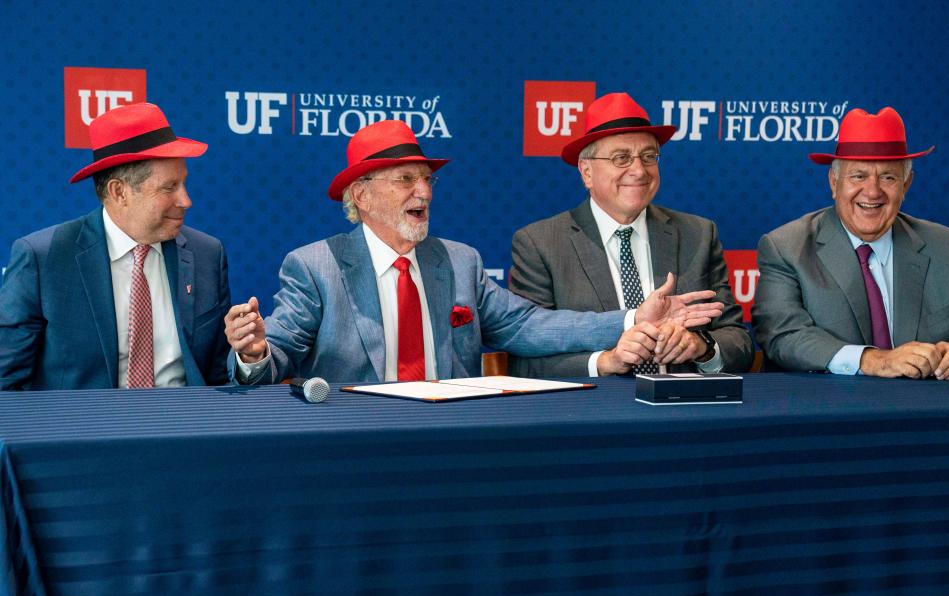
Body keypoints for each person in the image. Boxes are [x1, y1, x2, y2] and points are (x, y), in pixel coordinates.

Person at [225, 120, 724, 384]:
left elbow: (529, 326)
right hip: (356, 437)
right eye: (405, 180)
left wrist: (631, 317)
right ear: (361, 194)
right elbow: (279, 352)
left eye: (427, 179)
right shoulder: (314, 266)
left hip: (455, 432)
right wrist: (254, 354)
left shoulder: (458, 261)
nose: (423, 191)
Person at [509, 92, 753, 378]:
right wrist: (605, 361)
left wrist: (702, 346)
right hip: (591, 413)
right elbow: (525, 359)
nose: (639, 170)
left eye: (649, 156)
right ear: (586, 172)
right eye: (621, 158)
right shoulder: (541, 244)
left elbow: (739, 342)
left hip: (684, 411)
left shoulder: (697, 234)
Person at [0, 102, 232, 390]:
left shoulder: (207, 254)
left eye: (183, 183)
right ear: (119, 192)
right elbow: (5, 381)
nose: (186, 201)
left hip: (183, 426)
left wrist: (249, 356)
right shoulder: (43, 259)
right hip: (79, 430)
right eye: (169, 187)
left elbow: (222, 375)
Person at [753, 106, 949, 380]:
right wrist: (873, 360)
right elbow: (782, 334)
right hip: (830, 413)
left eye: (888, 177)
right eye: (858, 176)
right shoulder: (786, 248)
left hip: (930, 414)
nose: (873, 191)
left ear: (906, 184)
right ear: (834, 181)